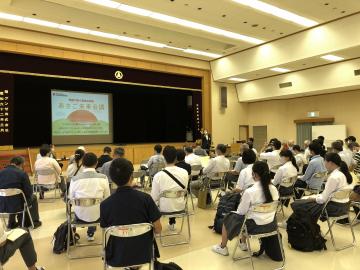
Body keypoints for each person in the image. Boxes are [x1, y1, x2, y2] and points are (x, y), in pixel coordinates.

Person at [100, 158, 162, 267]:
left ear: (112, 179)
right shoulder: (146, 199)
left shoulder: (105, 204)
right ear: (131, 177)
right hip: (145, 253)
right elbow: (158, 229)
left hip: (117, 256)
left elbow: (106, 230)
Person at [212, 161, 279, 256]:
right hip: (271, 225)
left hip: (254, 227)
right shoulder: (274, 189)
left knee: (228, 217)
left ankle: (223, 247)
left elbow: (241, 212)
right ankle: (242, 243)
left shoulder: (250, 191)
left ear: (254, 174)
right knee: (248, 216)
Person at [291, 153, 352, 221]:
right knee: (303, 203)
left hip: (333, 208)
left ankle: (298, 226)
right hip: (344, 207)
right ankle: (306, 227)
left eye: (325, 161)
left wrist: (312, 198)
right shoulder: (341, 174)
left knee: (299, 204)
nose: (324, 163)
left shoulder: (333, 177)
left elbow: (322, 200)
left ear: (330, 163)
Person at [69, 152, 110, 241]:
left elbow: (71, 199)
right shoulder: (103, 178)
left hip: (79, 216)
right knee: (97, 207)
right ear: (96, 163)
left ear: (83, 164)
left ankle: (73, 234)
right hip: (98, 216)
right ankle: (90, 233)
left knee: (81, 208)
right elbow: (107, 198)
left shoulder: (74, 179)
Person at [151, 146, 188, 231]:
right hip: (181, 206)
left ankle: (156, 228)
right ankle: (172, 222)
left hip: (163, 208)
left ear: (164, 158)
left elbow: (154, 198)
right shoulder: (184, 172)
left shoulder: (158, 176)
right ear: (176, 158)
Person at [0, 156, 42, 229]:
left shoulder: (1, 172)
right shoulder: (22, 173)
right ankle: (34, 222)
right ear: (21, 164)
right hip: (18, 205)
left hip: (2, 204)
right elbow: (29, 192)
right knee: (33, 197)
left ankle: (11, 223)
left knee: (11, 198)